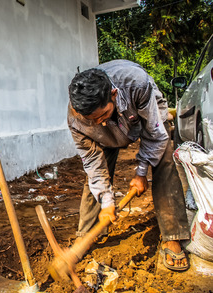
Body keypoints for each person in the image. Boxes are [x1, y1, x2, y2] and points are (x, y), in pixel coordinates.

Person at [67, 59, 190, 271]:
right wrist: (107, 203)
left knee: (164, 160)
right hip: (112, 132)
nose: (100, 123)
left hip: (143, 117)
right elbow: (92, 163)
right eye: (92, 119)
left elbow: (155, 134)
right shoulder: (77, 118)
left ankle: (173, 235)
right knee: (94, 177)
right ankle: (86, 235)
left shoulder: (137, 84)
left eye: (102, 115)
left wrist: (141, 172)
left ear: (113, 95)